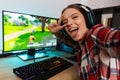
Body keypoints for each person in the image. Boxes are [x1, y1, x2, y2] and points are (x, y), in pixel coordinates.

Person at [47, 3, 120, 80]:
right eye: (65, 22)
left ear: (87, 19)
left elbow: (113, 37)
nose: (68, 23)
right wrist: (57, 33)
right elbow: (67, 42)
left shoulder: (95, 33)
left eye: (74, 17)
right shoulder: (81, 45)